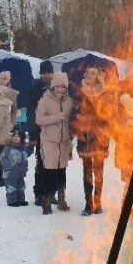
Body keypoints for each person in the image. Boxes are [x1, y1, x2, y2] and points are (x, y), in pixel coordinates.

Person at [74, 67, 112, 216]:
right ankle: (88, 204)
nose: (89, 75)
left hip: (99, 138)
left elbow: (107, 115)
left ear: (98, 77)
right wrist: (78, 128)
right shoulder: (80, 92)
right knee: (87, 172)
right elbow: (74, 114)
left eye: (93, 73)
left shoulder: (105, 92)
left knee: (99, 173)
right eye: (88, 72)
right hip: (85, 138)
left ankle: (97, 203)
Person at [35, 72, 74, 215]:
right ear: (53, 86)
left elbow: (71, 121)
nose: (60, 89)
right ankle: (46, 202)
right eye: (57, 86)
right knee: (49, 172)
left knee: (61, 171)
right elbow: (39, 120)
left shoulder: (69, 101)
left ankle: (62, 200)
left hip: (64, 142)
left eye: (63, 86)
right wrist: (58, 117)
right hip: (49, 141)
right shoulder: (45, 100)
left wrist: (71, 141)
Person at [27, 61, 55, 204]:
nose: (46, 75)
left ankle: (51, 193)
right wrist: (32, 136)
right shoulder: (35, 89)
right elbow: (31, 114)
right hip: (40, 133)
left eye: (48, 72)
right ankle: (39, 194)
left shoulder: (59, 88)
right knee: (41, 164)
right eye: (43, 72)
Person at [0, 131, 31, 207]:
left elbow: (25, 159)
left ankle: (21, 199)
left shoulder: (23, 148)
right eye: (14, 136)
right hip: (10, 172)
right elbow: (3, 158)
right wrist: (9, 168)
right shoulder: (8, 147)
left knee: (21, 186)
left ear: (22, 139)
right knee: (11, 186)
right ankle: (12, 200)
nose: (15, 137)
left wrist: (24, 169)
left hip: (20, 172)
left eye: (18, 136)